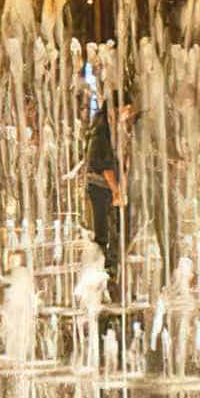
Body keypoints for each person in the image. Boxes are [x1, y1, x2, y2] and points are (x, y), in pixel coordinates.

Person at [84, 102, 129, 275]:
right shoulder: (102, 132)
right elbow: (105, 167)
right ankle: (103, 270)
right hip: (100, 187)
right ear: (115, 109)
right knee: (104, 232)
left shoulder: (107, 128)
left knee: (110, 229)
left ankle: (108, 267)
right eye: (127, 109)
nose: (128, 114)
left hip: (103, 187)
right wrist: (117, 191)